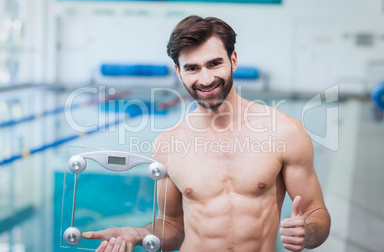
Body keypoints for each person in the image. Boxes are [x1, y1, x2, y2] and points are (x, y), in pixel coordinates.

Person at [82, 15, 331, 252]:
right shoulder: (169, 145)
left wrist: (307, 232)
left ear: (233, 60)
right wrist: (137, 235)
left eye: (214, 63)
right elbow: (172, 226)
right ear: (179, 73)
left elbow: (316, 212)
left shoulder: (284, 132)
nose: (206, 78)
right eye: (192, 68)